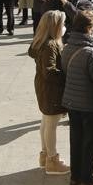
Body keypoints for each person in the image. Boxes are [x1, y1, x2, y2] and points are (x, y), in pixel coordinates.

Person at [61, 10, 93, 185]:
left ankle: (75, 176)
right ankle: (87, 178)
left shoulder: (67, 47)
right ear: (89, 28)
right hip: (88, 103)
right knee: (89, 141)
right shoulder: (91, 52)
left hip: (71, 100)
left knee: (75, 139)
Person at [30, 10, 69, 175]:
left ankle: (45, 155)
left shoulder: (41, 41)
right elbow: (50, 71)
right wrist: (67, 75)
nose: (65, 27)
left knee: (46, 121)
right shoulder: (51, 44)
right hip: (51, 89)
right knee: (51, 124)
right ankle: (52, 160)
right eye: (63, 24)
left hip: (43, 86)